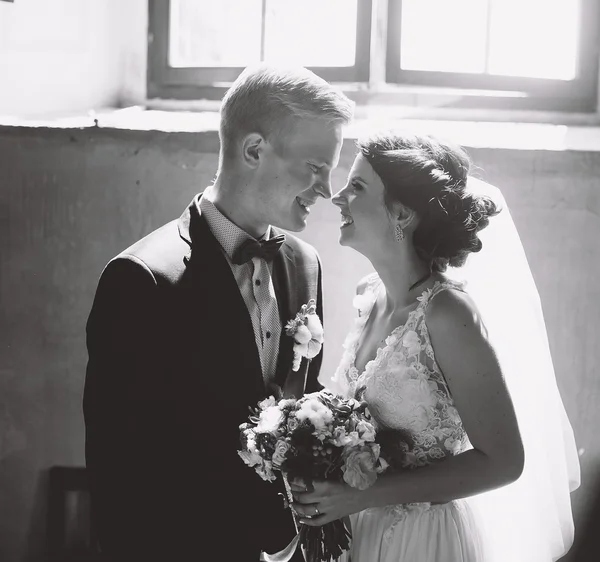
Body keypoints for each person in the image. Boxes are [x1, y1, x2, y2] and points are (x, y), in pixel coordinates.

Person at [83, 64, 354, 561]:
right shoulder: (142, 280)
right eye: (316, 167)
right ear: (253, 150)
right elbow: (118, 471)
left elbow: (296, 399)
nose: (328, 189)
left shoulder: (304, 264)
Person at [290, 131, 580, 561]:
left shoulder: (448, 314)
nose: (337, 197)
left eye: (358, 186)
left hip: (423, 540)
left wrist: (366, 496)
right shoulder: (368, 294)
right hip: (362, 533)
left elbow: (502, 461)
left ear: (402, 214)